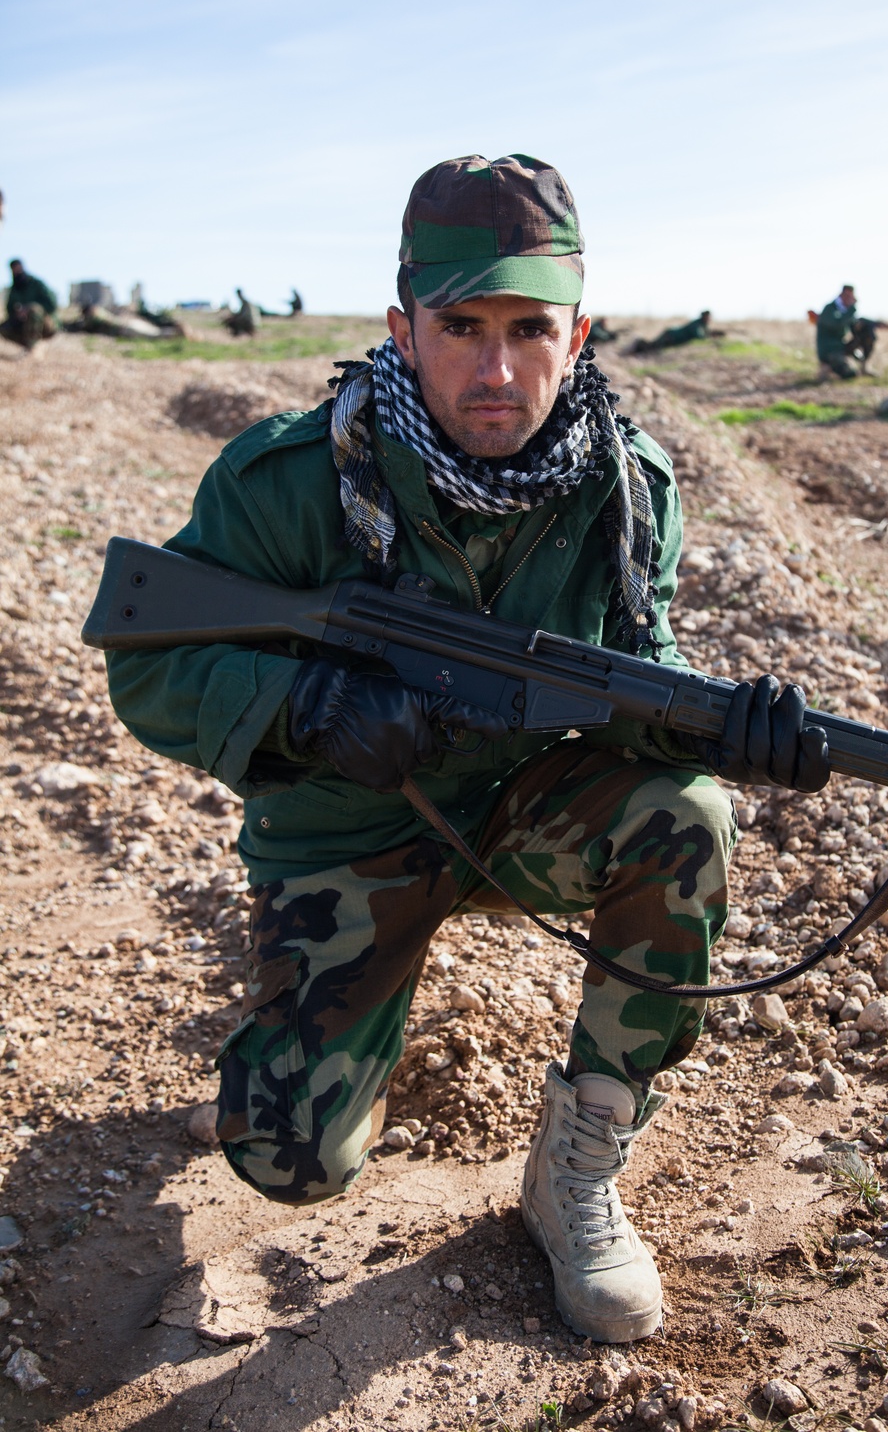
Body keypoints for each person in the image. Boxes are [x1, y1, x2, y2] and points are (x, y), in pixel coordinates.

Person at [104, 154, 829, 1344]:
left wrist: (729, 727)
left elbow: (634, 677)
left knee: (690, 812)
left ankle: (575, 1171)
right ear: (401, 326)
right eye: (460, 328)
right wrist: (306, 708)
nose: (497, 370)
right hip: (348, 828)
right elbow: (147, 663)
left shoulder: (625, 488)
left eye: (529, 329)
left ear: (578, 331)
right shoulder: (292, 482)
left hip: (525, 816)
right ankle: (302, 1048)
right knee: (293, 1166)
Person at [1, 258, 59, 349]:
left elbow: (51, 304)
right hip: (23, 323)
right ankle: (29, 346)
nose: (16, 272)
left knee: (34, 310)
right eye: (14, 270)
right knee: (4, 328)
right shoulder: (14, 288)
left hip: (45, 322)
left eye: (18, 269)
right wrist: (18, 312)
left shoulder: (37, 284)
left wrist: (28, 308)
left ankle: (33, 345)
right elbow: (9, 309)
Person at [630, 310, 722, 355]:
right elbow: (699, 336)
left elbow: (704, 334)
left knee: (654, 348)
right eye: (708, 317)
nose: (710, 319)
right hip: (671, 335)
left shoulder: (702, 325)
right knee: (652, 347)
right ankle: (637, 345)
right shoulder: (696, 324)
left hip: (673, 337)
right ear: (704, 317)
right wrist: (710, 336)